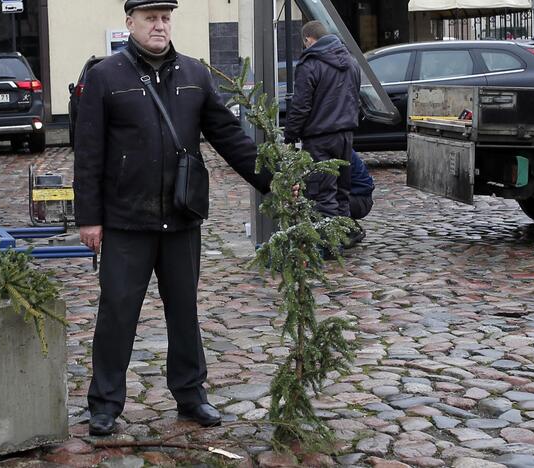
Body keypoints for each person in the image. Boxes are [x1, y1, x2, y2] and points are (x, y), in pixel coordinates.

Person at [73, 0, 272, 436]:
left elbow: (229, 137)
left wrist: (273, 181)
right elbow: (87, 153)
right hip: (127, 220)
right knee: (117, 313)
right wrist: (89, 217)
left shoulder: (194, 74)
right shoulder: (105, 77)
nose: (159, 25)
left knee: (184, 310)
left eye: (165, 18)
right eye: (150, 18)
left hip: (182, 217)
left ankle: (191, 394)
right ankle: (105, 402)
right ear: (130, 23)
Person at [284, 21, 360, 220]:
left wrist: (290, 134)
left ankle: (326, 245)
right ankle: (344, 238)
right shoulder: (352, 61)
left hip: (319, 139)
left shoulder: (310, 64)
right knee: (342, 192)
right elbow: (355, 96)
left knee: (322, 194)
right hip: (346, 136)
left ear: (308, 39)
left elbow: (301, 105)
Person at [345, 150, 374, 248]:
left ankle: (351, 230)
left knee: (324, 200)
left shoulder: (334, 147)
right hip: (355, 196)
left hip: (360, 199)